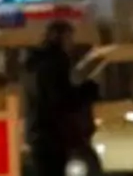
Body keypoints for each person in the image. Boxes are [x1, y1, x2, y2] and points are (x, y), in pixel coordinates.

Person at [22, 20, 100, 176]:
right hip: (53, 134)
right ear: (60, 38)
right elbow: (60, 98)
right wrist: (86, 92)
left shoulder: (35, 63)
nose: (71, 43)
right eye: (69, 38)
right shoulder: (55, 63)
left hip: (38, 132)